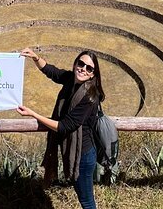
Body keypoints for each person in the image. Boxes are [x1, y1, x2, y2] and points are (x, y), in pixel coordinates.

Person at [17, 48, 105, 209]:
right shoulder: (71, 79)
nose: (83, 69)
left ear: (93, 74)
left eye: (89, 68)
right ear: (75, 64)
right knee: (82, 194)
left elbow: (65, 126)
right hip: (76, 150)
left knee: (86, 200)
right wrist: (36, 58)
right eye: (81, 64)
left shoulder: (90, 96)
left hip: (83, 154)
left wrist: (33, 114)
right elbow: (53, 72)